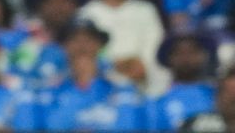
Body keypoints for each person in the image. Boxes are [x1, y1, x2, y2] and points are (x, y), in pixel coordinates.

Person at [12, 18, 147, 130]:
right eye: (74, 40)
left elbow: (129, 127)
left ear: (99, 46)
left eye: (88, 40)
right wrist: (82, 86)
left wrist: (91, 83)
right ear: (64, 47)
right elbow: (53, 126)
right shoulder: (48, 91)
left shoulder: (122, 89)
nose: (82, 46)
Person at [79, 0, 166, 92]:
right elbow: (85, 54)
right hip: (99, 85)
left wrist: (137, 66)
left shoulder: (145, 10)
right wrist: (113, 65)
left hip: (141, 85)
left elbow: (153, 51)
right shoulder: (87, 13)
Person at [149, 29, 217, 131]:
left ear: (203, 56)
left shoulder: (218, 95)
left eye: (192, 52)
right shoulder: (157, 100)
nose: (186, 58)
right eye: (179, 53)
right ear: (169, 58)